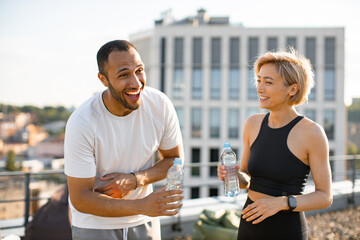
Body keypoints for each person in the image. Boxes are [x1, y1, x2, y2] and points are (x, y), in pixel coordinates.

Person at [64, 40, 184, 240]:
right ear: (103, 79)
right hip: (95, 226)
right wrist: (141, 205)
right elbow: (81, 199)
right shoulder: (82, 121)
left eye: (139, 70)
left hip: (145, 221)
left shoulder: (160, 105)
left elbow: (176, 162)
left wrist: (136, 180)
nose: (136, 83)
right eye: (124, 75)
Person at [218, 49, 332, 239]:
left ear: (292, 89)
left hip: (286, 230)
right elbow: (246, 179)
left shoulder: (312, 133)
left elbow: (325, 197)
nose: (260, 88)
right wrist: (232, 175)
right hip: (248, 226)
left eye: (268, 82)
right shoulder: (252, 124)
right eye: (259, 81)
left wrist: (281, 203)